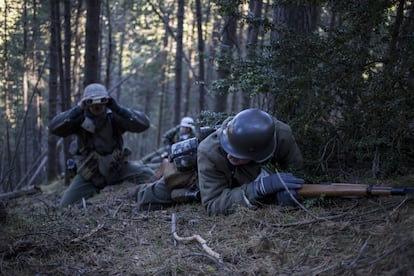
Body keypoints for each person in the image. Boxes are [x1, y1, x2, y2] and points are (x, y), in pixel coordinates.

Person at [136, 108, 304, 215]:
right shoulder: (210, 151)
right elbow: (212, 203)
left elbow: (297, 174)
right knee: (147, 198)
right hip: (196, 174)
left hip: (242, 176)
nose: (231, 156)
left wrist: (285, 192)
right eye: (229, 149)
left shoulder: (281, 136)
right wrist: (258, 188)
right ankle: (137, 187)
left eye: (238, 154)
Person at [49, 83, 155, 207]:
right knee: (66, 205)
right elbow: (54, 127)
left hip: (117, 167)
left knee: (148, 175)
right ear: (85, 102)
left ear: (107, 101)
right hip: (91, 173)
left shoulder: (114, 117)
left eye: (101, 100)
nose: (97, 105)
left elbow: (144, 124)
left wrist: (118, 109)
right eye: (91, 101)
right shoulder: (78, 119)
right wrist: (77, 110)